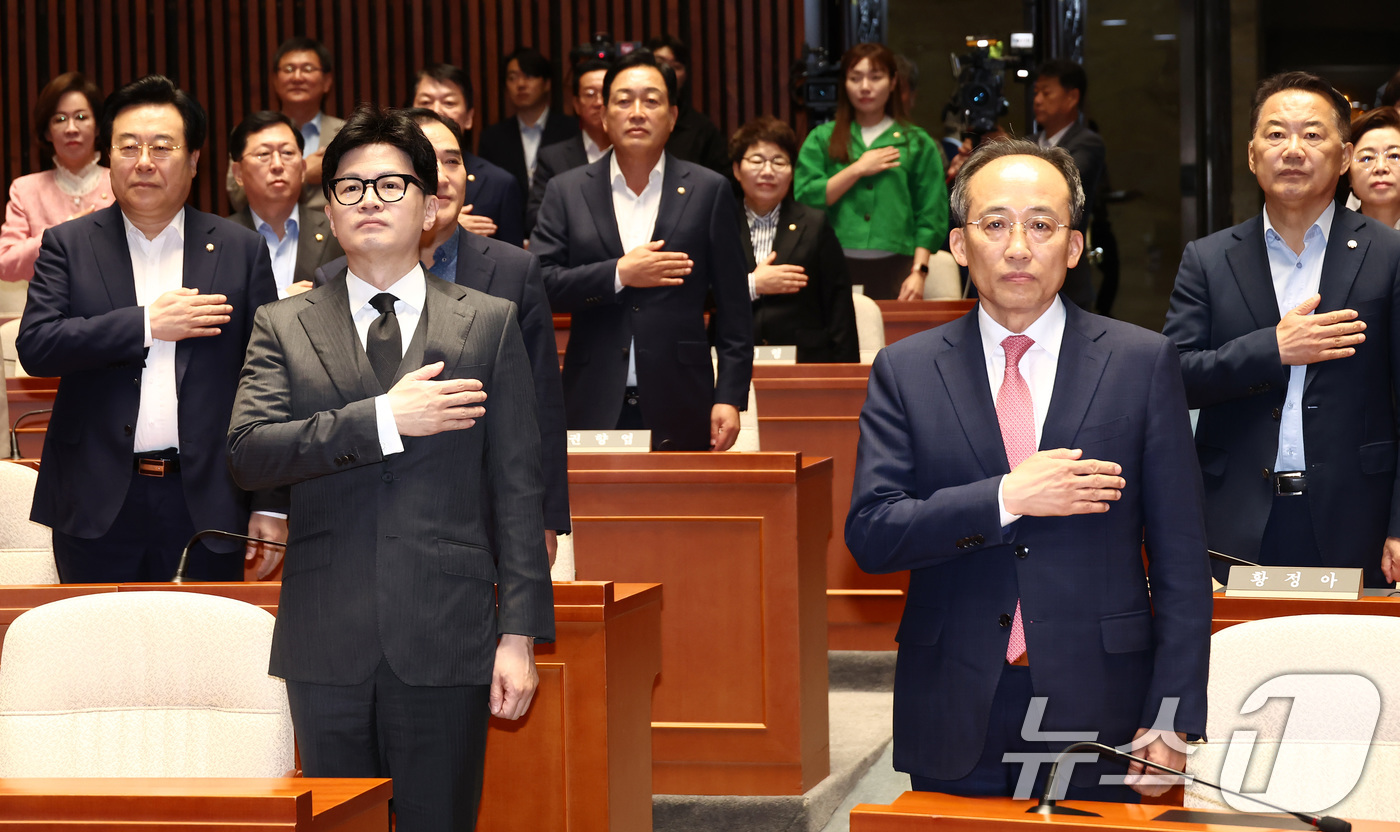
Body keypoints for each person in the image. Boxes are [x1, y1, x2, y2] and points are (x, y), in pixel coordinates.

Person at [846, 137, 1211, 799]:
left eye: (1041, 225)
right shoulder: (905, 371)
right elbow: (872, 535)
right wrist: (1006, 498)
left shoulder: (1141, 363)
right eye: (995, 225)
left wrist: (1174, 714)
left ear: (1073, 248)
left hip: (1106, 706)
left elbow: (1182, 560)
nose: (1018, 246)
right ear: (959, 245)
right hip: (954, 699)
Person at [227, 105, 554, 831]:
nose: (369, 201)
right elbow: (249, 452)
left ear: (433, 205)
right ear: (330, 212)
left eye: (390, 185)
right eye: (350, 188)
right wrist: (382, 419)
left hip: (449, 632)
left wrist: (519, 635)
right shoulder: (283, 323)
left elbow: (517, 487)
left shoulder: (488, 321)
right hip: (326, 635)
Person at [17, 75, 283, 583]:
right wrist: (145, 324)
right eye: (128, 146)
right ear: (108, 156)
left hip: (208, 502)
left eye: (162, 147)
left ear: (195, 160)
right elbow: (38, 346)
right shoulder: (67, 245)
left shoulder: (239, 249)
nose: (144, 161)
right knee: (98, 653)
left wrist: (270, 504)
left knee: (202, 657)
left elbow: (270, 382)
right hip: (94, 503)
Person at [1164, 71, 1400, 589]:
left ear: (1343, 158)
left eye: (1312, 135)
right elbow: (1175, 375)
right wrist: (1272, 348)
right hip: (1236, 521)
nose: (1293, 148)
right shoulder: (1207, 259)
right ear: (1252, 156)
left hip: (1356, 518)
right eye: (1275, 134)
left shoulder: (1389, 254)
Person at [315, 107, 569, 563]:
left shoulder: (514, 270)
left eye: (452, 161)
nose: (444, 176)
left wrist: (545, 519)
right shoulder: (332, 278)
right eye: (428, 163)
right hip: (365, 513)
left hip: (482, 513)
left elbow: (541, 408)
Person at [531, 50, 752, 451]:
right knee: (593, 514)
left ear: (672, 117)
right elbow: (541, 283)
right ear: (603, 115)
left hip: (684, 396)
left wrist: (730, 396)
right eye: (623, 100)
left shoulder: (709, 190)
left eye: (651, 101)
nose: (637, 112)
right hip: (591, 392)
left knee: (680, 513)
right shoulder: (566, 190)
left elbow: (735, 308)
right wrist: (619, 274)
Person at [794, 42, 946, 301]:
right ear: (844, 83)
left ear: (893, 81)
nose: (865, 87)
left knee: (896, 339)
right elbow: (806, 198)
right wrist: (857, 169)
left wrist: (919, 271)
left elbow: (931, 214)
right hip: (834, 260)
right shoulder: (822, 137)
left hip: (899, 264)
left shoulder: (917, 142)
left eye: (875, 78)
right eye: (855, 78)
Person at [731, 116, 858, 363]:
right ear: (737, 169)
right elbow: (701, 292)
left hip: (804, 361)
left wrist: (846, 377)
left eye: (779, 161)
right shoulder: (717, 222)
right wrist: (752, 285)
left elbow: (838, 304)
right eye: (757, 160)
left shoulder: (815, 224)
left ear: (791, 172)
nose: (767, 171)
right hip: (733, 359)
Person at [0, 72, 114, 284]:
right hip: (48, 309)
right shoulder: (25, 190)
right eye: (60, 119)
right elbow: (5, 263)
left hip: (116, 310)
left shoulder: (122, 183)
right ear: (47, 132)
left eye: (81, 117)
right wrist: (61, 233)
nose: (71, 129)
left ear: (98, 126)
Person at [226, 111, 344, 298]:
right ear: (238, 173)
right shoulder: (220, 239)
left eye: (287, 153)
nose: (277, 164)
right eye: (264, 154)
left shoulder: (337, 231)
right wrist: (281, 298)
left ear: (303, 169)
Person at [412, 63, 525, 248]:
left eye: (449, 103)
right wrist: (449, 228)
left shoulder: (499, 183)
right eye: (426, 102)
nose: (436, 110)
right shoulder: (392, 175)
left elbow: (514, 263)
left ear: (469, 117)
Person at [227, 37, 344, 211]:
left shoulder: (345, 133)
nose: (297, 77)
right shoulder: (250, 132)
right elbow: (237, 196)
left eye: (307, 69)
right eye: (289, 69)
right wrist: (303, 174)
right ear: (275, 80)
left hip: (333, 235)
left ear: (327, 81)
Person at [1031, 60, 1106, 311]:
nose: (1038, 100)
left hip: (1069, 278)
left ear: (1072, 97)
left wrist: (1011, 152)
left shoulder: (1087, 142)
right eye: (1036, 93)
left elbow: (1063, 178)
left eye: (1046, 92)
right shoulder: (1028, 142)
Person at [477, 47, 579, 200]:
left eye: (529, 76)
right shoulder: (492, 138)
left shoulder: (572, 130)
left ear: (546, 84)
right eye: (512, 78)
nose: (521, 84)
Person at [526, 57, 613, 236]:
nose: (598, 102)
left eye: (605, 93)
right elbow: (535, 215)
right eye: (590, 94)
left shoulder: (635, 153)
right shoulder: (552, 157)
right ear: (576, 105)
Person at [646, 34, 729, 176]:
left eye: (676, 67)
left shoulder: (702, 129)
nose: (668, 71)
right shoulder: (628, 117)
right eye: (660, 63)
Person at [1346, 107, 1400, 231]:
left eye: (1394, 156)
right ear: (1349, 175)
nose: (1381, 167)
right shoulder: (1331, 238)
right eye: (1367, 158)